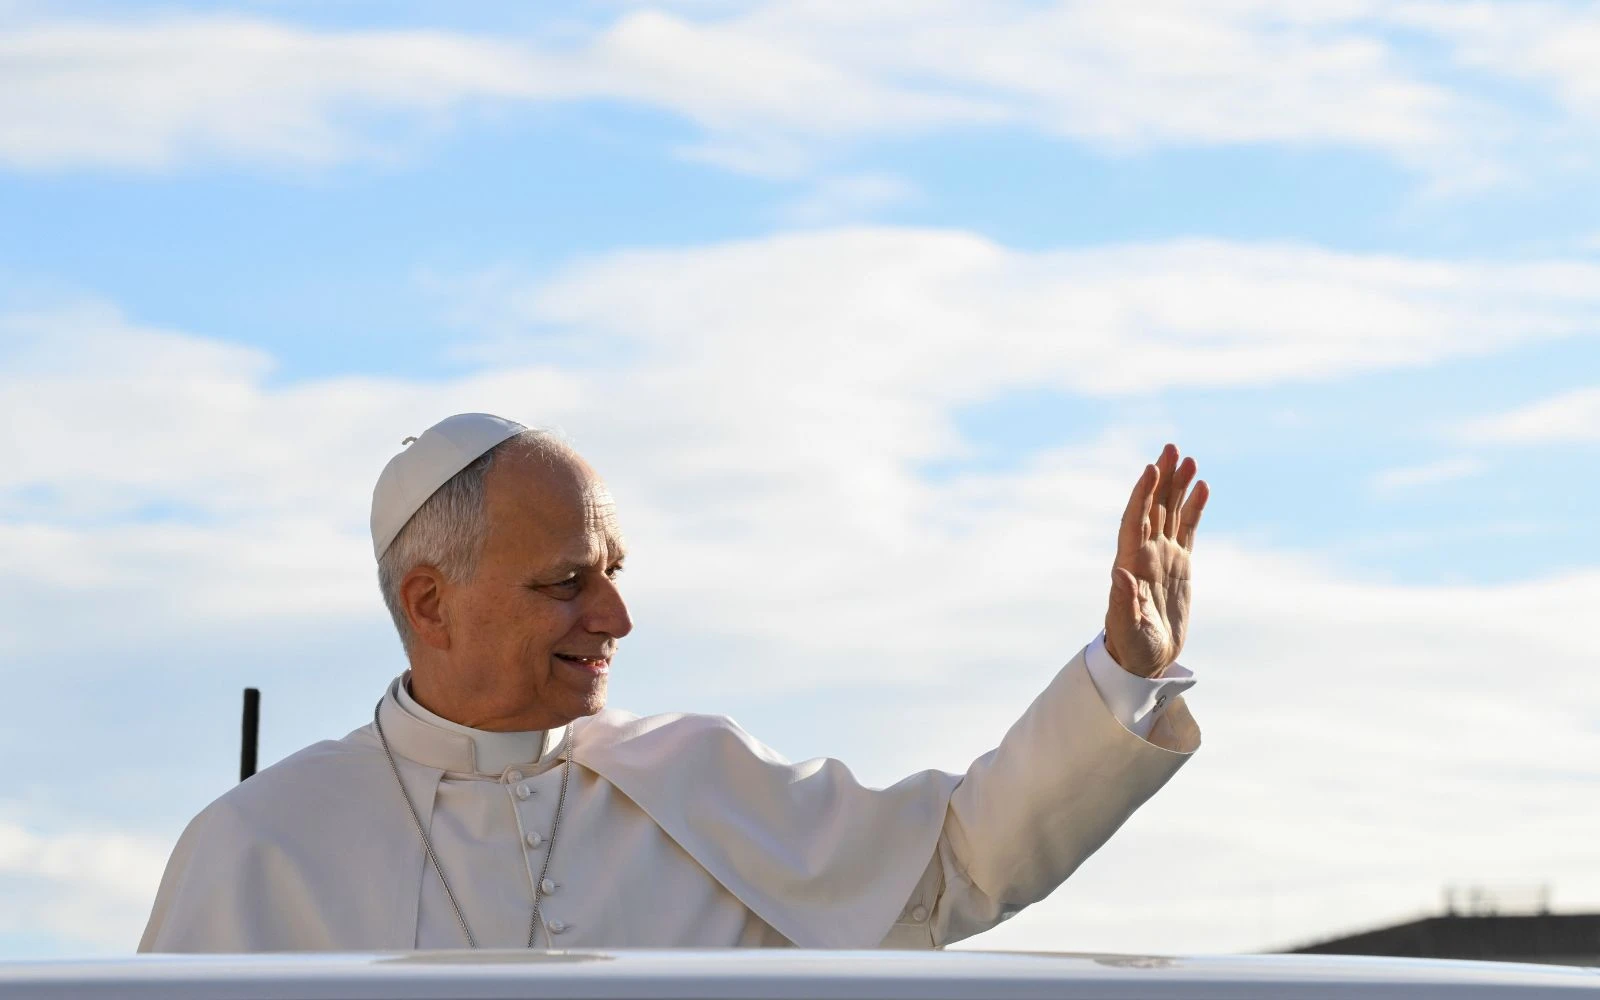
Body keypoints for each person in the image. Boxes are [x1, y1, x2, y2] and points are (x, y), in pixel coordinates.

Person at [140, 412, 1208, 952]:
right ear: (430, 601)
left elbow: (957, 867)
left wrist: (1124, 675)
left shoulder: (697, 780)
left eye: (612, 575)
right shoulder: (258, 849)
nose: (613, 619)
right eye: (564, 583)